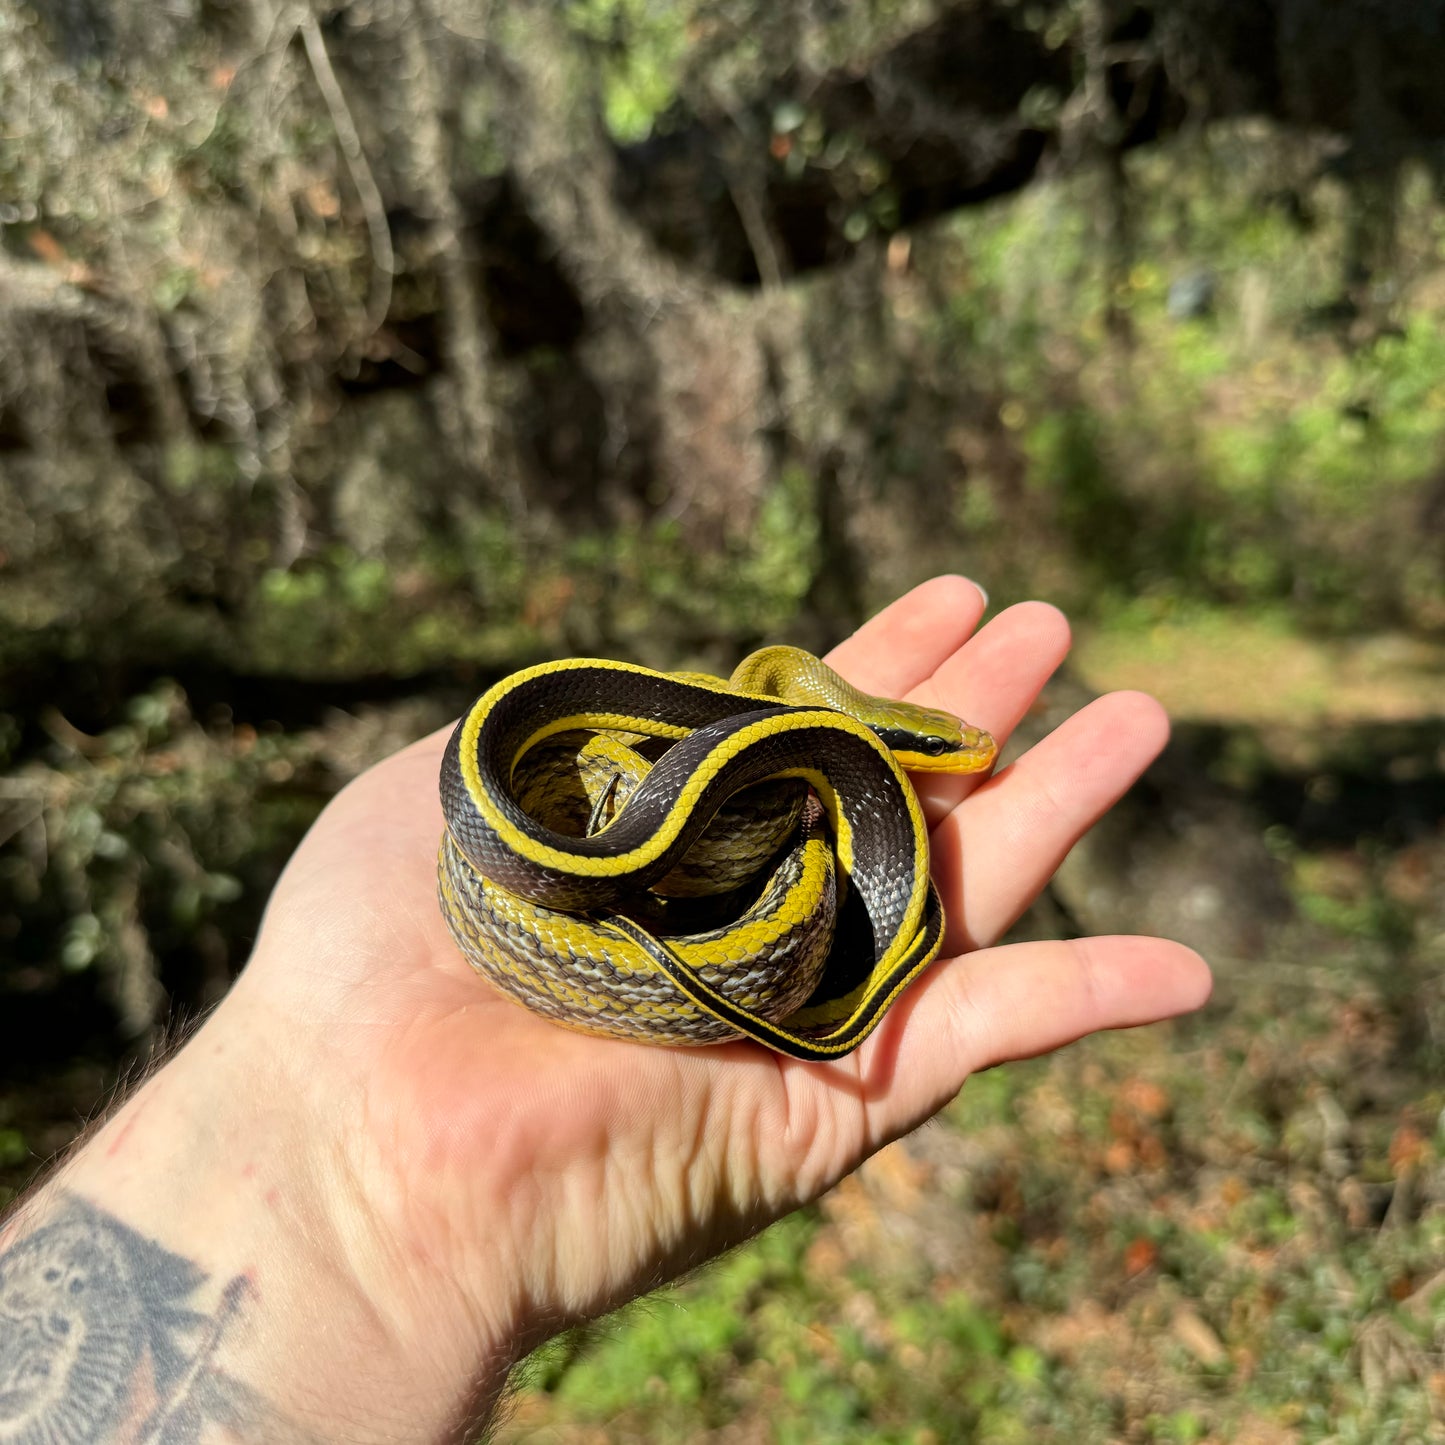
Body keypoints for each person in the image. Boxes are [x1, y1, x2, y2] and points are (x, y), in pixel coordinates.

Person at [0, 577, 1211, 1443]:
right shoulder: (566, 781)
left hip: (746, 830)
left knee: (771, 867)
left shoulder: (796, 776)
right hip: (643, 836)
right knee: (695, 840)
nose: (949, 752)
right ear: (877, 734)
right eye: (928, 745)